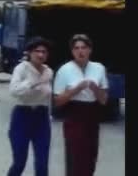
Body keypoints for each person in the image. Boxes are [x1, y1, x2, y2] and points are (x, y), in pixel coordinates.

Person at [53, 34, 108, 176]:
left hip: (92, 115)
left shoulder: (99, 68)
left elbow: (104, 100)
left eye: (84, 47)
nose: (80, 51)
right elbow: (57, 101)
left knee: (91, 156)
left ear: (90, 50)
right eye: (76, 48)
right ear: (72, 51)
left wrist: (95, 88)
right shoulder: (65, 70)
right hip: (74, 115)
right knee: (75, 156)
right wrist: (77, 89)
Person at [7, 37, 54, 176]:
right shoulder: (21, 69)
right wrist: (32, 83)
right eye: (37, 51)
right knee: (19, 161)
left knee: (42, 163)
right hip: (22, 116)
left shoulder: (48, 71)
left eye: (44, 52)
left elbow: (48, 95)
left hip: (41, 117)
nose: (40, 55)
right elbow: (14, 91)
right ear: (29, 53)